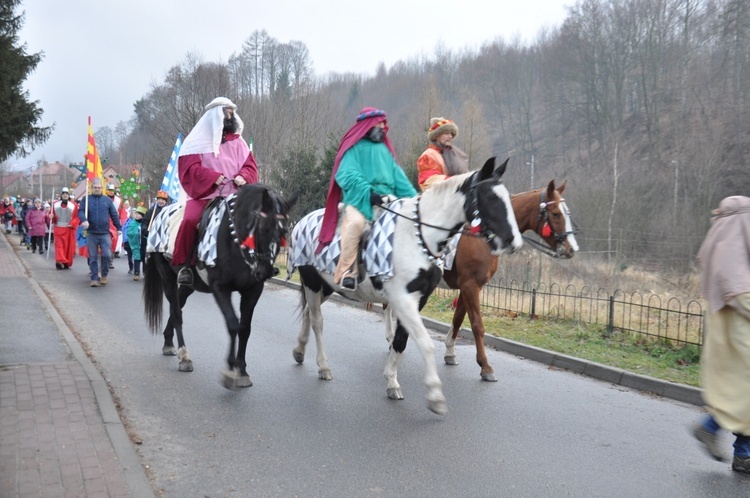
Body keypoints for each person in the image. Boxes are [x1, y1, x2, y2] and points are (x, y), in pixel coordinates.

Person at [318, 107, 417, 290]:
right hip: (359, 202)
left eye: (383, 123)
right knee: (355, 223)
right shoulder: (353, 149)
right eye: (379, 123)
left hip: (388, 200)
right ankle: (348, 272)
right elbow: (346, 175)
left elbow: (400, 179)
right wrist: (368, 193)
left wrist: (417, 201)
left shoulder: (385, 151)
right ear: (368, 125)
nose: (383, 127)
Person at [172, 96, 259, 286]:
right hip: (205, 195)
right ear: (216, 116)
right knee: (190, 220)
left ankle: (258, 260)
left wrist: (244, 176)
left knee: (258, 218)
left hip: (235, 195)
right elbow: (189, 169)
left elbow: (250, 166)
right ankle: (186, 265)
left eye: (232, 113)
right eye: (227, 112)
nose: (230, 116)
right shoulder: (196, 142)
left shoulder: (239, 142)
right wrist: (211, 176)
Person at [692, 195, 750, 473]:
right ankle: (710, 427)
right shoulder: (735, 247)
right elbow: (742, 294)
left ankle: (743, 454)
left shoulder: (721, 240)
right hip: (740, 334)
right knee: (743, 393)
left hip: (726, 336)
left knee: (740, 392)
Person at [78, 178, 122, 287]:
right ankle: (94, 277)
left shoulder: (107, 200)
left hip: (104, 233)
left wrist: (119, 227)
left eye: (99, 188)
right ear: (92, 188)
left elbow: (114, 214)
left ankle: (104, 275)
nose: (97, 189)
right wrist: (84, 220)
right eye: (95, 187)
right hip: (91, 232)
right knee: (92, 256)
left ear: (102, 189)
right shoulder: (86, 199)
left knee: (107, 255)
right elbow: (81, 211)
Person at [416, 117, 469, 191]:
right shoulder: (428, 155)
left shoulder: (455, 154)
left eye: (451, 134)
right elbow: (430, 181)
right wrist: (457, 182)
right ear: (437, 136)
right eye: (447, 133)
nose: (450, 136)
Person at [51, 187, 80, 269]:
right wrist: (50, 217)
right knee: (59, 245)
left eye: (66, 194)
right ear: (61, 195)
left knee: (68, 247)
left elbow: (77, 217)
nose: (65, 195)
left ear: (68, 195)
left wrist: (72, 223)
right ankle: (60, 261)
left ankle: (66, 262)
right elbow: (52, 218)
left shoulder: (74, 205)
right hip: (58, 228)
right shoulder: (55, 204)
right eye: (63, 193)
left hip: (69, 229)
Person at [141, 190, 170, 264]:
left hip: (164, 239)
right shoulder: (151, 211)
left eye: (163, 199)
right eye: (159, 199)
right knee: (148, 257)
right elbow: (145, 222)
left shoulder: (169, 212)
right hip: (151, 236)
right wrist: (144, 230)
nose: (160, 201)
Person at [126, 206, 147, 281]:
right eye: (136, 214)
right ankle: (136, 273)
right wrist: (136, 234)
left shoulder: (146, 224)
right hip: (136, 244)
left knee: (145, 258)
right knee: (137, 258)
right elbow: (129, 232)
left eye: (139, 214)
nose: (137, 215)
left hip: (144, 244)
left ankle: (145, 272)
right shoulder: (133, 223)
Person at [121, 207, 136, 274]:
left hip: (136, 241)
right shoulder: (127, 222)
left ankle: (136, 268)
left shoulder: (139, 222)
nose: (135, 215)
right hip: (128, 241)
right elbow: (124, 231)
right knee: (130, 256)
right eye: (133, 213)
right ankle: (131, 267)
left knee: (136, 256)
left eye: (136, 213)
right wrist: (125, 240)